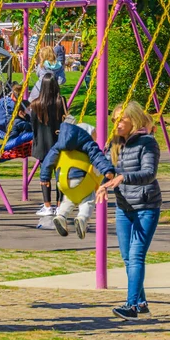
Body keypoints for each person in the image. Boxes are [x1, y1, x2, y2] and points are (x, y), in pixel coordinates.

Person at [96, 101, 161, 321]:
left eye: (121, 119)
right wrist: (104, 184)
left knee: (136, 256)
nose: (117, 123)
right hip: (124, 207)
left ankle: (131, 306)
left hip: (146, 206)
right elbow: (108, 169)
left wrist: (124, 178)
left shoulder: (147, 142)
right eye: (114, 119)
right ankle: (141, 303)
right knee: (127, 257)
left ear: (133, 119)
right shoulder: (114, 143)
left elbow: (149, 173)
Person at [40, 122, 115, 239]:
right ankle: (82, 219)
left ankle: (61, 216)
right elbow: (97, 157)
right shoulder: (88, 143)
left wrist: (45, 177)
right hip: (81, 179)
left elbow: (48, 160)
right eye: (94, 136)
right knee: (89, 198)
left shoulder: (59, 145)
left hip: (62, 181)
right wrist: (108, 170)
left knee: (69, 198)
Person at [30, 74, 66, 217]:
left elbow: (33, 126)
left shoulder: (35, 104)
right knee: (60, 176)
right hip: (58, 142)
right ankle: (59, 206)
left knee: (45, 176)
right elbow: (64, 120)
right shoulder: (60, 101)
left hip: (42, 145)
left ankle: (47, 206)